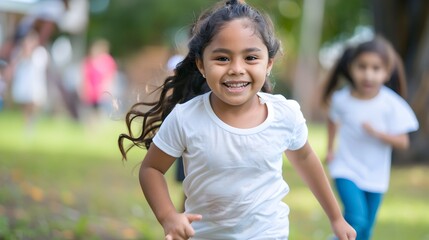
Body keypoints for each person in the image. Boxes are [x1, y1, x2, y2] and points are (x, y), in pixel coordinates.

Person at [118, 1, 356, 239]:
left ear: (269, 63)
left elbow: (305, 159)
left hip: (268, 233)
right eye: (222, 59)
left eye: (251, 57)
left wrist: (336, 218)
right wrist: (168, 216)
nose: (236, 69)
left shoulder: (285, 114)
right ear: (201, 64)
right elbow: (151, 169)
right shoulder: (186, 118)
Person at [321, 36, 419, 240]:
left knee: (366, 231)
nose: (368, 75)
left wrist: (378, 133)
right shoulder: (341, 99)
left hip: (376, 175)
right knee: (355, 221)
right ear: (351, 67)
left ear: (386, 72)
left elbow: (403, 142)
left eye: (376, 68)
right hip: (345, 168)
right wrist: (330, 149)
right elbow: (332, 120)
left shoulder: (392, 104)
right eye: (362, 67)